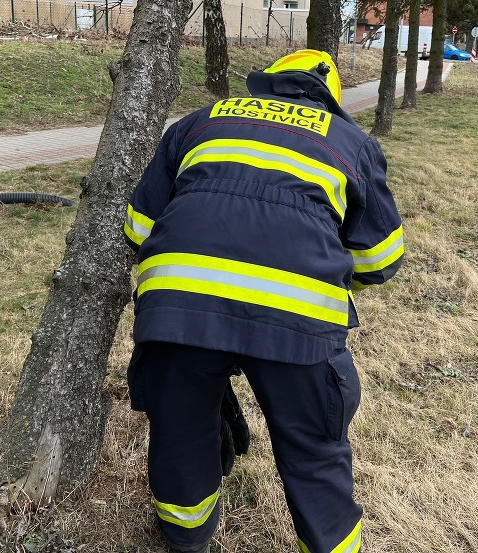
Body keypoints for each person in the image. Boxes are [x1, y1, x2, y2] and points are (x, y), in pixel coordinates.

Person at [123, 49, 404, 553]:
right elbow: (380, 259)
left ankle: (187, 541)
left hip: (177, 306)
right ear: (330, 101)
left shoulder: (199, 122)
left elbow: (138, 228)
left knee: (180, 436)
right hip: (297, 321)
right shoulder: (349, 141)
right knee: (315, 451)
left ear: (266, 85)